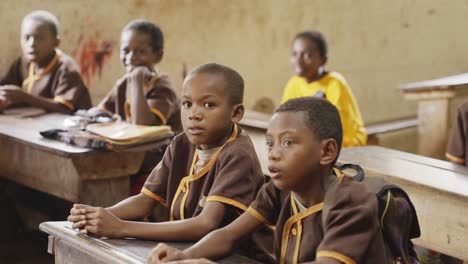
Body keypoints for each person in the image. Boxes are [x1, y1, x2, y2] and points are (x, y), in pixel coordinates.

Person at [148, 97, 386, 264]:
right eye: (270, 143)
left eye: (288, 143)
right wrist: (185, 256)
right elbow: (228, 235)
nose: (273, 153)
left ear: (326, 152)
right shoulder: (278, 190)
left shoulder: (352, 202)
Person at [68, 64, 267, 256]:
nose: (194, 115)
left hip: (232, 256)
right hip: (185, 247)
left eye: (208, 105)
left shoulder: (238, 154)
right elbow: (145, 201)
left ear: (236, 113)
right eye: (187, 104)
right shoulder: (182, 143)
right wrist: (99, 216)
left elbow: (206, 223)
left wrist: (121, 227)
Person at [281, 31, 366, 147]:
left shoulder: (335, 84)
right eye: (294, 54)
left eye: (307, 55)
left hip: (346, 143)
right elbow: (284, 119)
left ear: (323, 60)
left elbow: (332, 128)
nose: (298, 60)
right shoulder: (293, 83)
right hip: (314, 144)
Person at [0, 10, 91, 113]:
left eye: (40, 38)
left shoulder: (66, 68)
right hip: (34, 123)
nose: (32, 44)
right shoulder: (21, 63)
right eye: (27, 37)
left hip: (71, 125)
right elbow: (5, 90)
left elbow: (64, 108)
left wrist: (25, 97)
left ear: (56, 43)